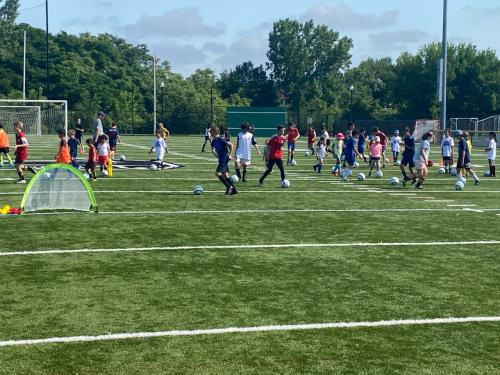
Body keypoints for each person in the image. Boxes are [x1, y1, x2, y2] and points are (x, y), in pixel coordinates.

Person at [210, 126, 237, 195]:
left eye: (211, 132)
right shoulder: (213, 141)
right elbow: (213, 149)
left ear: (214, 132)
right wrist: (215, 153)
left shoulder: (220, 139)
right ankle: (234, 190)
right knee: (225, 175)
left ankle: (228, 187)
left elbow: (231, 145)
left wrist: (230, 155)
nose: (210, 133)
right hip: (221, 159)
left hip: (225, 158)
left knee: (217, 173)